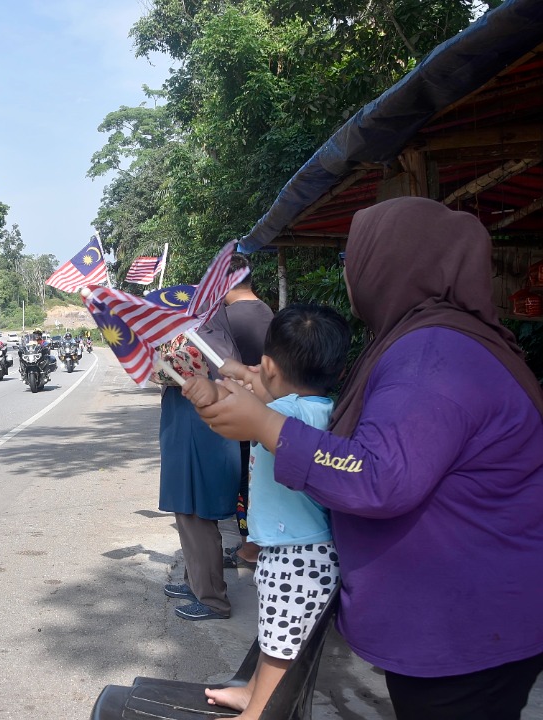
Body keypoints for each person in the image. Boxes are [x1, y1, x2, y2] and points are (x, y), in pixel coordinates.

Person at [193, 197, 543, 720]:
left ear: (392, 263)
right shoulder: (427, 339)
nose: (350, 273)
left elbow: (380, 474)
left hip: (466, 627)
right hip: (466, 617)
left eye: (351, 259)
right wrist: (269, 404)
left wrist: (267, 425)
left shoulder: (434, 354)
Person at [182, 303, 351, 719]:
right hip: (308, 548)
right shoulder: (324, 410)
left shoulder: (280, 414)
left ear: (270, 366)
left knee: (279, 646)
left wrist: (204, 389)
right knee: (275, 634)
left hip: (295, 554)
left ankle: (257, 712)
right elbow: (254, 383)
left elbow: (231, 405)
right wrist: (242, 371)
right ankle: (251, 692)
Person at [159, 308, 242, 621]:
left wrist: (141, 350)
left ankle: (212, 599)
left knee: (197, 513)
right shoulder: (207, 334)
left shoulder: (202, 339)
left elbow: (165, 370)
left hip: (197, 432)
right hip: (188, 429)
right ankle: (195, 582)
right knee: (188, 510)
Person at [221, 253, 275, 565]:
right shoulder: (268, 312)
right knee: (261, 479)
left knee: (245, 482)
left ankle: (250, 548)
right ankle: (255, 543)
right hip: (273, 408)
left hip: (243, 414)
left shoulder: (227, 320)